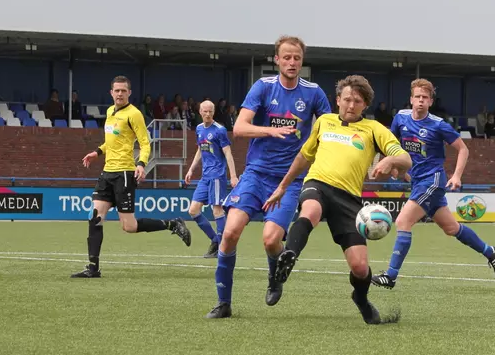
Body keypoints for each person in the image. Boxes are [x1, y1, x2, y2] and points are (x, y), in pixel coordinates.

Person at [265, 75, 411, 325]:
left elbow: (406, 159)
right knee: (309, 211)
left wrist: (389, 159)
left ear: (365, 105)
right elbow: (303, 156)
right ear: (338, 100)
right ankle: (287, 259)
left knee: (360, 268)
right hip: (318, 184)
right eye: (347, 100)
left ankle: (361, 299)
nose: (351, 105)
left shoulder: (375, 130)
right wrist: (282, 187)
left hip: (349, 200)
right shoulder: (324, 122)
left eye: (357, 101)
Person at [205, 35, 331, 319]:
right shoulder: (263, 87)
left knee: (271, 240)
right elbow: (239, 128)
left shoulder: (314, 93)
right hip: (256, 174)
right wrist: (270, 131)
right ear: (276, 59)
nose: (292, 62)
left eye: (296, 58)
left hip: (289, 180)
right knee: (230, 233)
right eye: (286, 57)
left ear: (302, 61)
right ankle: (223, 303)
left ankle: (275, 276)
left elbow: (329, 129)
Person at [371, 78, 495, 290]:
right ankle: (490, 251)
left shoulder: (438, 125)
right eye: (417, 97)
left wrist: (457, 175)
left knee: (403, 222)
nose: (421, 101)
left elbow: (463, 149)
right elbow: (391, 146)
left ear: (431, 101)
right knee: (451, 228)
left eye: (425, 98)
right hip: (417, 181)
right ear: (411, 99)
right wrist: (396, 168)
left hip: (432, 180)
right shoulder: (400, 118)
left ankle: (391, 276)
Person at [71, 76, 192, 278]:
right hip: (107, 172)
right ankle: (93, 268)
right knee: (94, 218)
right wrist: (97, 152)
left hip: (124, 174)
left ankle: (173, 224)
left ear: (129, 93)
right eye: (116, 90)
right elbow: (111, 142)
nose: (119, 94)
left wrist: (141, 164)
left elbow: (145, 143)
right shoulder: (110, 112)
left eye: (123, 91)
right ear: (111, 93)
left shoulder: (134, 114)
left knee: (129, 226)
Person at [185, 100, 239, 258]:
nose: (207, 114)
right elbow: (200, 150)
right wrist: (191, 169)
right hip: (205, 177)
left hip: (217, 176)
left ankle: (223, 247)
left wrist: (233, 176)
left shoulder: (220, 130)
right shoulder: (200, 129)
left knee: (217, 210)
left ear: (213, 112)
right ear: (200, 112)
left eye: (210, 111)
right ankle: (216, 240)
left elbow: (228, 153)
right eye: (205, 111)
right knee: (193, 210)